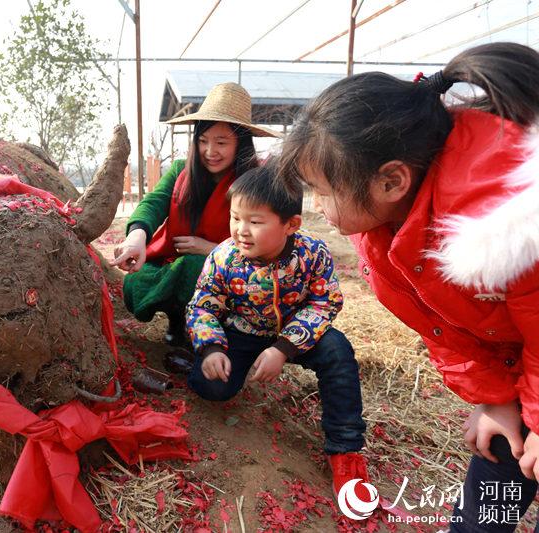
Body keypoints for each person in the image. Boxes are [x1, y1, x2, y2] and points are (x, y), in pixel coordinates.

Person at [278, 42, 539, 531]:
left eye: (325, 191)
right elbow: (444, 326)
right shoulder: (383, 232)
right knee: (484, 513)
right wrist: (497, 399)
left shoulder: (507, 223)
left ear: (391, 180)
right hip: (520, 368)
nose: (318, 205)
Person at [186, 165, 369, 497]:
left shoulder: (312, 253)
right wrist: (211, 348)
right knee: (210, 387)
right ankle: (199, 362)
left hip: (297, 333)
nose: (241, 230)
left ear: (291, 224)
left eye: (255, 222)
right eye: (235, 217)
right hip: (243, 331)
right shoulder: (223, 258)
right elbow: (203, 305)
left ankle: (346, 449)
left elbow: (324, 302)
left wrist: (283, 348)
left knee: (337, 351)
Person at [110, 82, 278, 345]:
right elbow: (154, 202)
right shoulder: (181, 171)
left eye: (221, 142)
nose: (210, 152)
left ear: (240, 143)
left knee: (194, 268)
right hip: (173, 259)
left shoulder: (254, 181)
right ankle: (179, 320)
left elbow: (264, 239)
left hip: (233, 269)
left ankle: (214, 329)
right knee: (140, 279)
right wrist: (137, 237)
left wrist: (211, 249)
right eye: (203, 141)